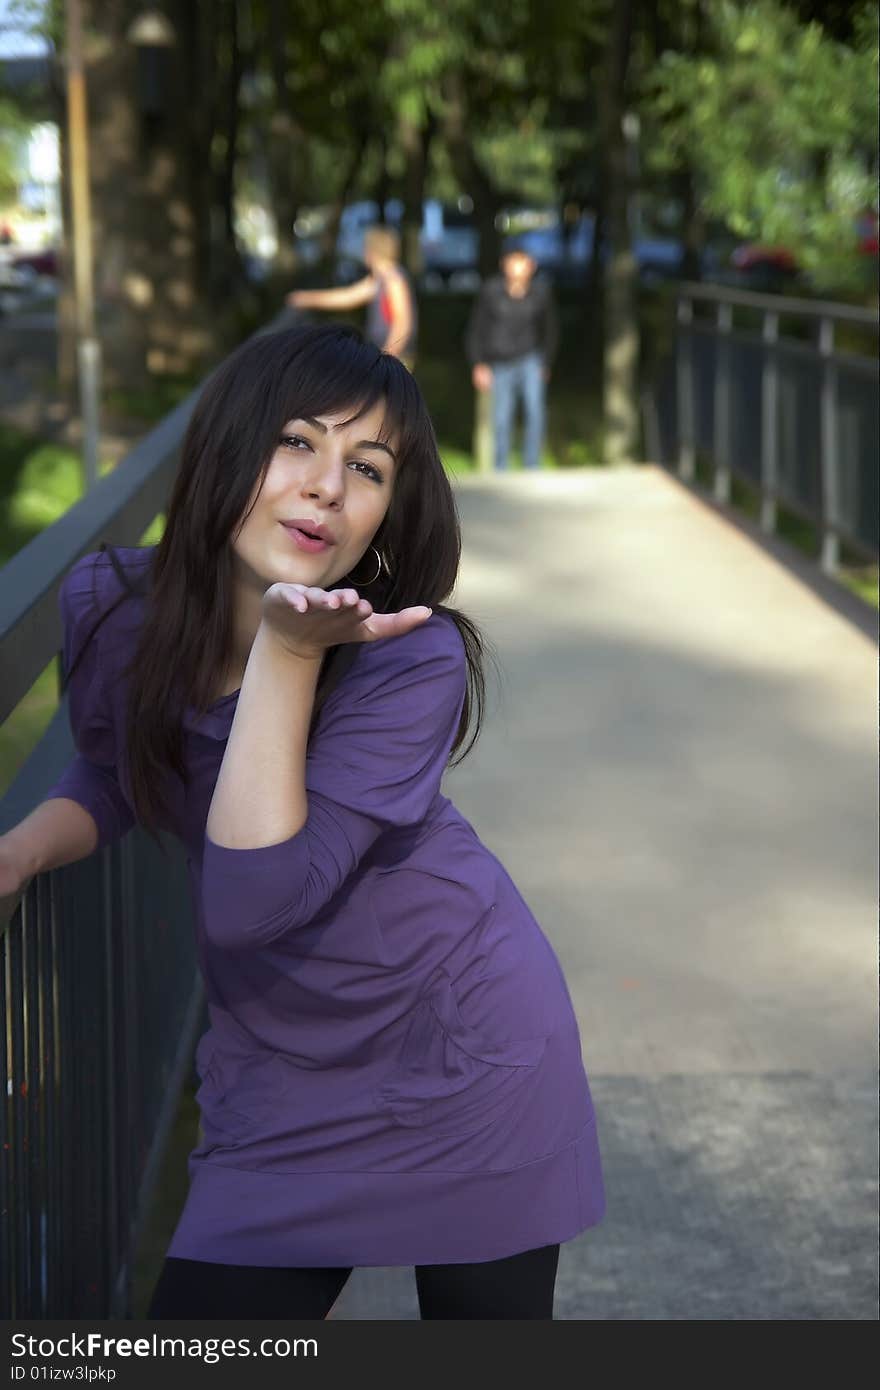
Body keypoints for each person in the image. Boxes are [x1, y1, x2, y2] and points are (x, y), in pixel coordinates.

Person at [0, 324, 604, 1320]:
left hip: (464, 1061)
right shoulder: (110, 605)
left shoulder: (411, 662)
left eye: (365, 466)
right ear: (227, 448)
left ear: (389, 513)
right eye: (297, 441)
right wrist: (24, 847)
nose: (327, 484)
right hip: (279, 1078)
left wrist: (287, 650)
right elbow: (124, 768)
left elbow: (252, 900)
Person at [466, 240, 558, 471]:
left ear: (531, 265)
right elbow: (476, 329)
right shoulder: (491, 292)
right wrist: (479, 364)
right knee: (501, 418)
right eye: (513, 261)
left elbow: (551, 330)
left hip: (530, 360)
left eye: (523, 261)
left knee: (535, 412)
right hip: (499, 363)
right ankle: (501, 470)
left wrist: (545, 362)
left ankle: (532, 466)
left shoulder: (541, 293)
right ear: (504, 264)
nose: (518, 267)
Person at [287, 224, 417, 368]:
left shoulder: (393, 279)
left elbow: (402, 323)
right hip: (385, 355)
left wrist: (387, 356)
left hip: (395, 358)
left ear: (371, 251)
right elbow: (346, 297)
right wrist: (306, 298)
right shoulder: (378, 280)